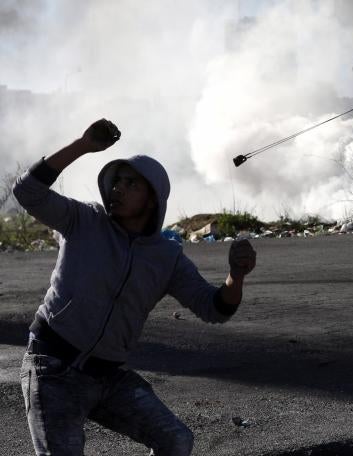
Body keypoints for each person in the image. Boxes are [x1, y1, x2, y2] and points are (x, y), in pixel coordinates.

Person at [12, 119, 257, 456]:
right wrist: (83, 145)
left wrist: (236, 276)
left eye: (131, 184)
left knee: (176, 441)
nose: (118, 189)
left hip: (108, 377)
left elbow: (215, 308)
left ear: (153, 198)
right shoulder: (84, 220)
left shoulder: (166, 257)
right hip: (52, 367)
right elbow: (27, 192)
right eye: (117, 181)